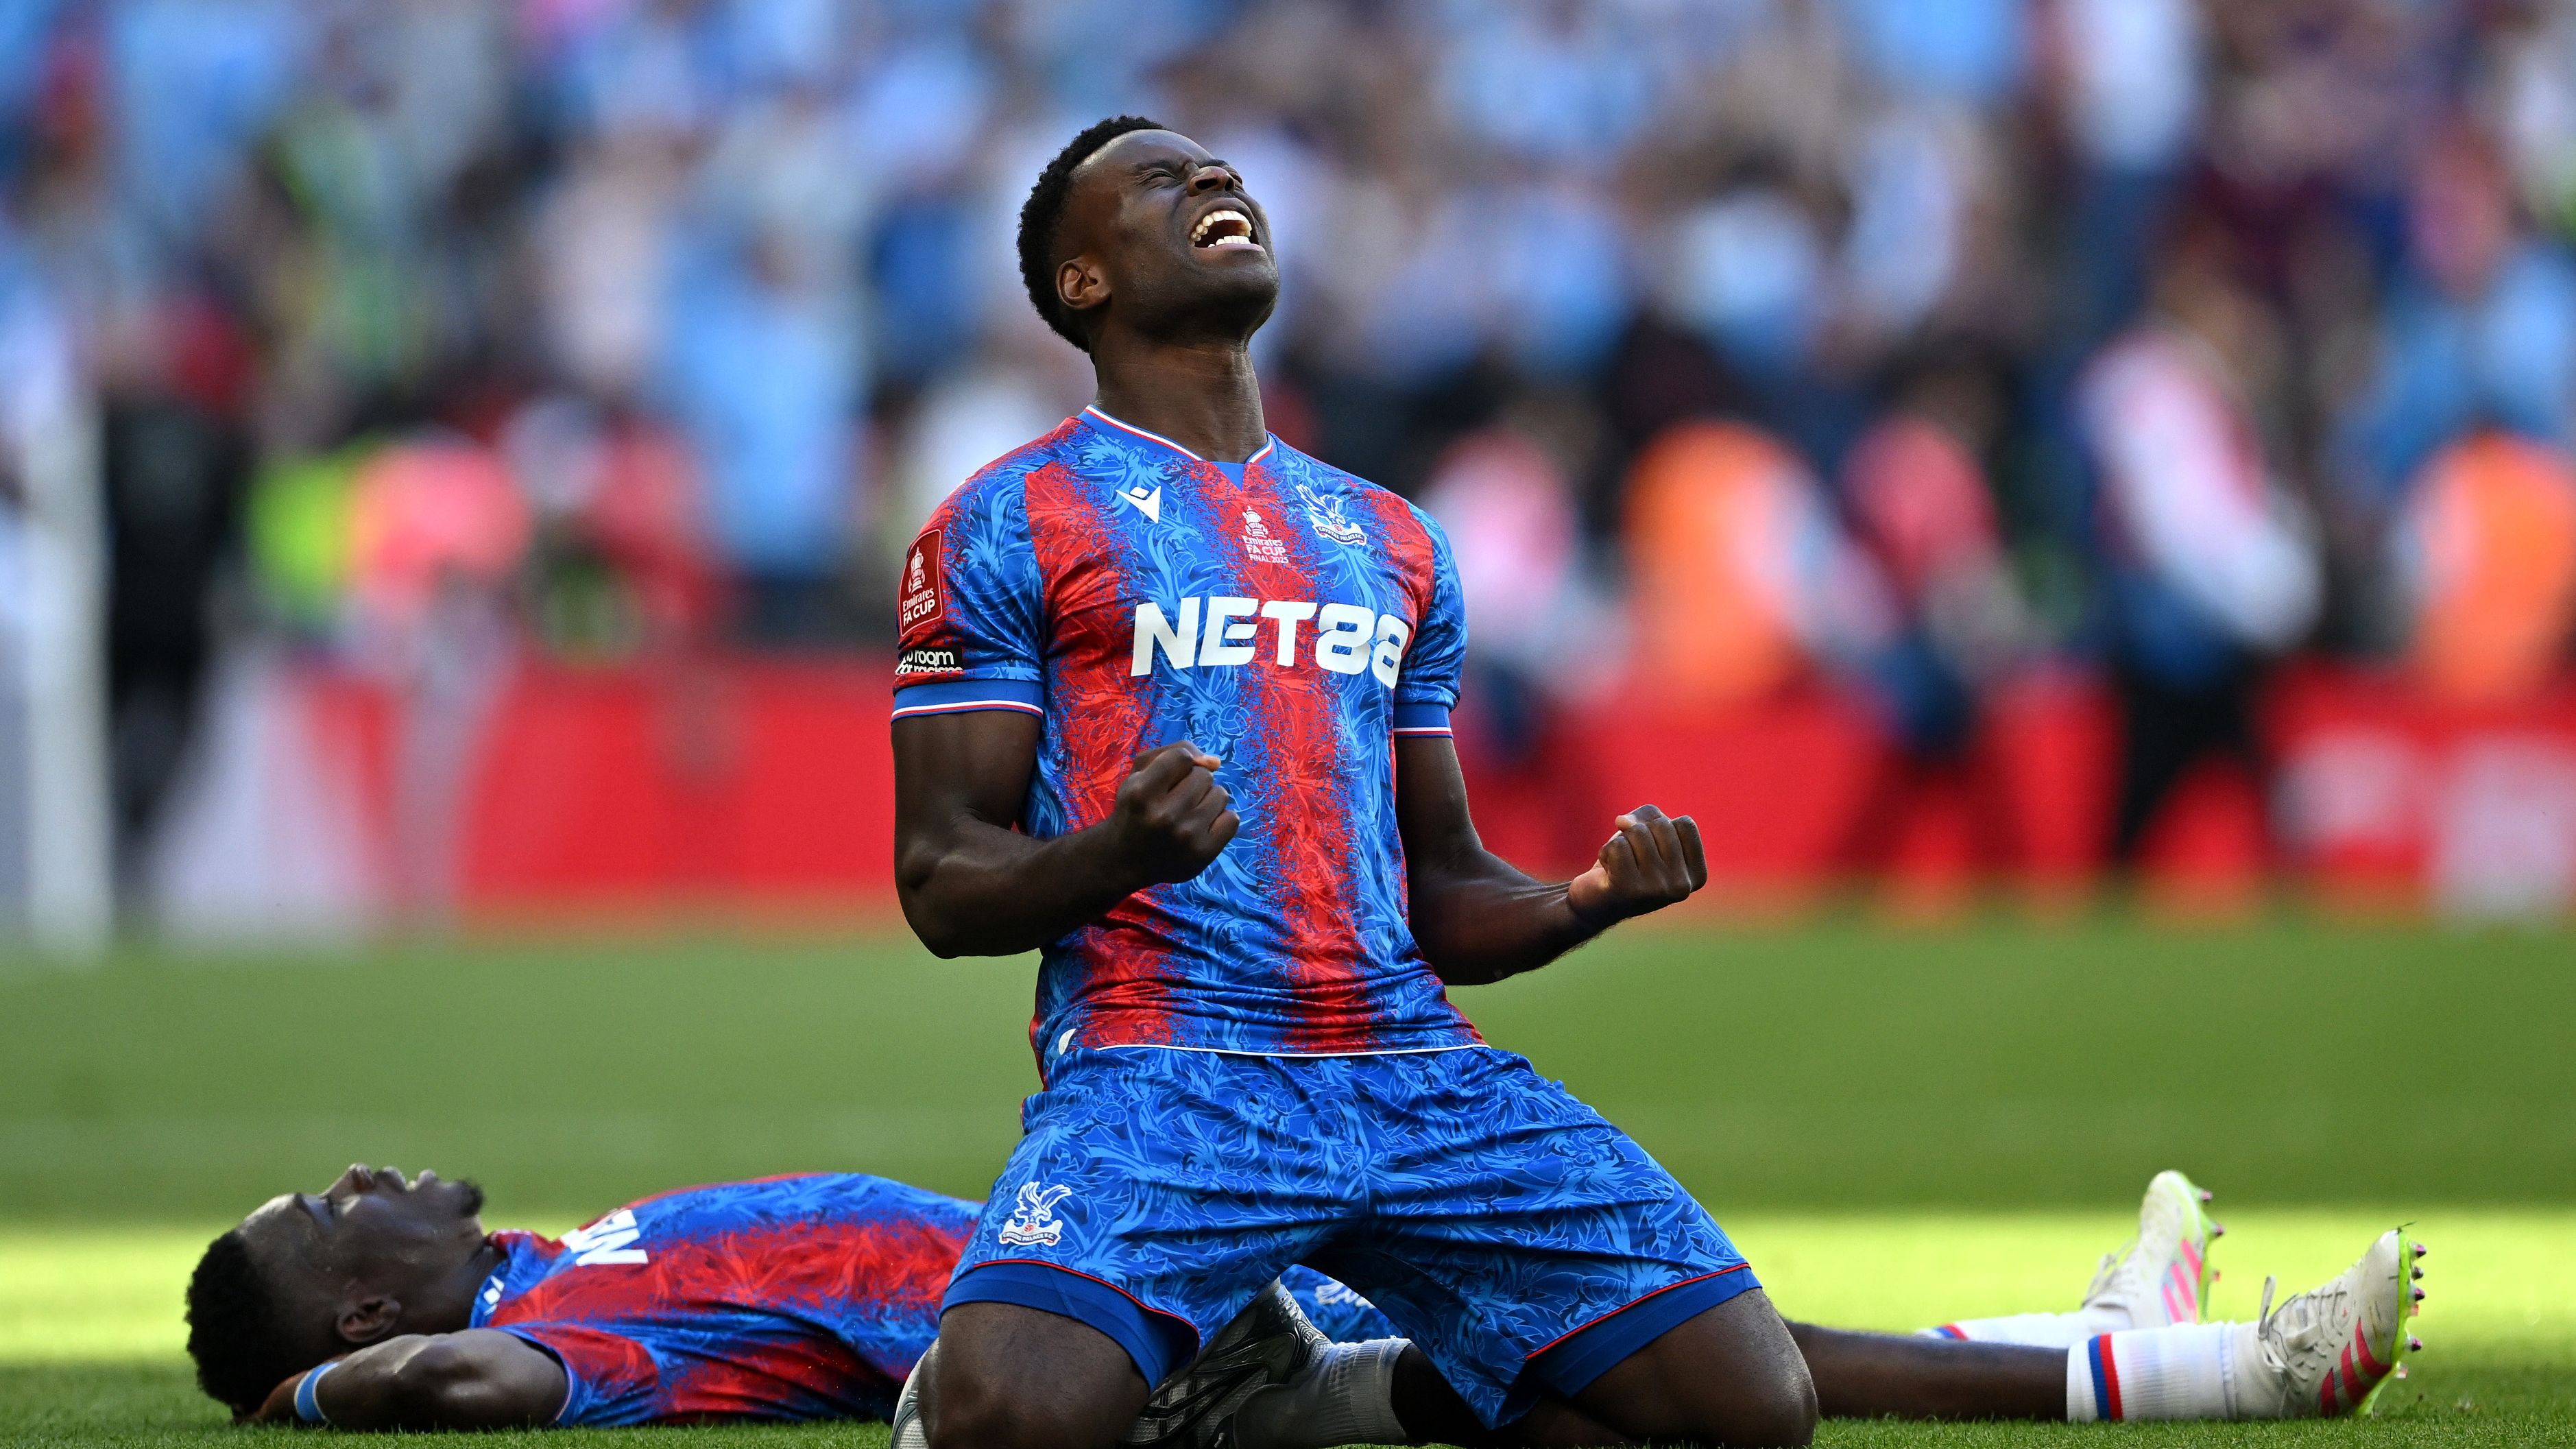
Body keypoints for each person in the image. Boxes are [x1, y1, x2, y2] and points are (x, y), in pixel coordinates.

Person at [886, 117, 2416, 1449]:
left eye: (1217, 169)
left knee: (1748, 1406)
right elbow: (942, 881)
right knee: (1011, 1418)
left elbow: (1446, 894)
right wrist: (1112, 851)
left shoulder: (1389, 535)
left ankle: (1266, 1379)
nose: (1211, 178)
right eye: (1156, 183)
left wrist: (1578, 902)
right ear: (1080, 283)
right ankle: (1205, 1367)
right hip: (1171, 1068)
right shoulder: (1005, 522)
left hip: (1413, 1071)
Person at [183, 1163, 2420, 1437]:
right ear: (363, 1285)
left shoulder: (587, 1246)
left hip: (1131, 1289)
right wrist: (313, 1397)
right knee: (1616, 1349)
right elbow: (465, 1391)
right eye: (329, 1201)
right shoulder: (559, 1336)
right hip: (1125, 1364)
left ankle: (2095, 1334)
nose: (367, 1164)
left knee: (1612, 1334)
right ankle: (2196, 1368)